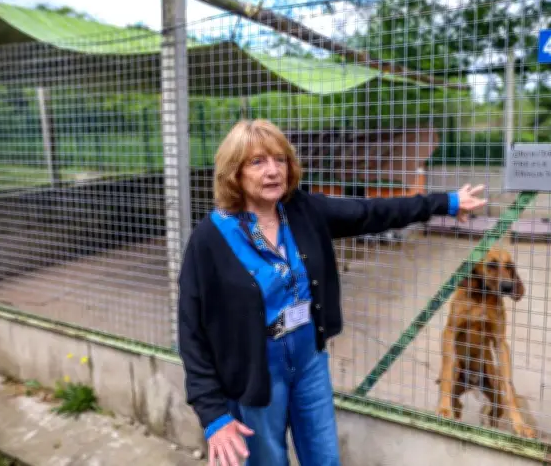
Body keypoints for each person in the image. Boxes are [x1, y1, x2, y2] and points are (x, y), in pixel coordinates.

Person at [177, 119, 488, 466]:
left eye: (280, 160)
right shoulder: (210, 239)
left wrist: (445, 202)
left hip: (309, 357)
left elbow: (373, 213)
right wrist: (214, 415)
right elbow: (191, 330)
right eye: (257, 162)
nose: (273, 171)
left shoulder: (302, 210)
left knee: (324, 458)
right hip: (256, 370)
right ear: (234, 172)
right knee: (267, 461)